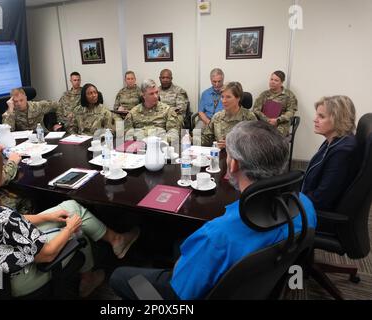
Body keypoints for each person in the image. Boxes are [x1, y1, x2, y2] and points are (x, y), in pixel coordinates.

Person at [109, 121, 317, 300]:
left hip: (184, 293)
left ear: (233, 164)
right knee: (177, 243)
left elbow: (182, 291)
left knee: (118, 275)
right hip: (263, 286)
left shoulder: (216, 235)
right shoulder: (305, 205)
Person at [0, 145, 140, 298]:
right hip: (20, 279)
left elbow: (8, 224)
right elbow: (46, 255)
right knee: (77, 231)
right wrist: (69, 229)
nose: (2, 174)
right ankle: (88, 278)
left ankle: (116, 240)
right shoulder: (2, 217)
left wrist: (44, 217)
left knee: (71, 206)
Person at [302, 95, 357, 213]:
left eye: (321, 116)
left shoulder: (342, 152)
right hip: (308, 199)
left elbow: (321, 198)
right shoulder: (333, 140)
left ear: (338, 119)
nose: (315, 119)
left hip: (315, 212)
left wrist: (294, 201)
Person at [201, 82, 256, 147]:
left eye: (228, 97)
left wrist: (231, 145)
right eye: (222, 97)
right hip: (218, 155)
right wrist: (191, 139)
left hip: (239, 156)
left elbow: (255, 144)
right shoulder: (217, 117)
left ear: (238, 98)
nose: (224, 101)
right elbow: (207, 138)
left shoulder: (249, 118)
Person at [124, 79, 179, 144]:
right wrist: (135, 146)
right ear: (143, 95)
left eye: (156, 92)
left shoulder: (167, 111)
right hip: (139, 148)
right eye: (151, 94)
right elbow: (128, 135)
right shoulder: (133, 113)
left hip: (160, 147)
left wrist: (160, 142)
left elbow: (173, 133)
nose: (156, 96)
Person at [252, 70, 298, 136]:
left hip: (281, 123)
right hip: (264, 121)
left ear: (281, 82)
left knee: (275, 137)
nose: (272, 82)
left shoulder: (289, 95)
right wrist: (267, 119)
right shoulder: (264, 94)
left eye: (276, 80)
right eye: (271, 79)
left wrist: (278, 120)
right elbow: (256, 109)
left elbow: (291, 111)